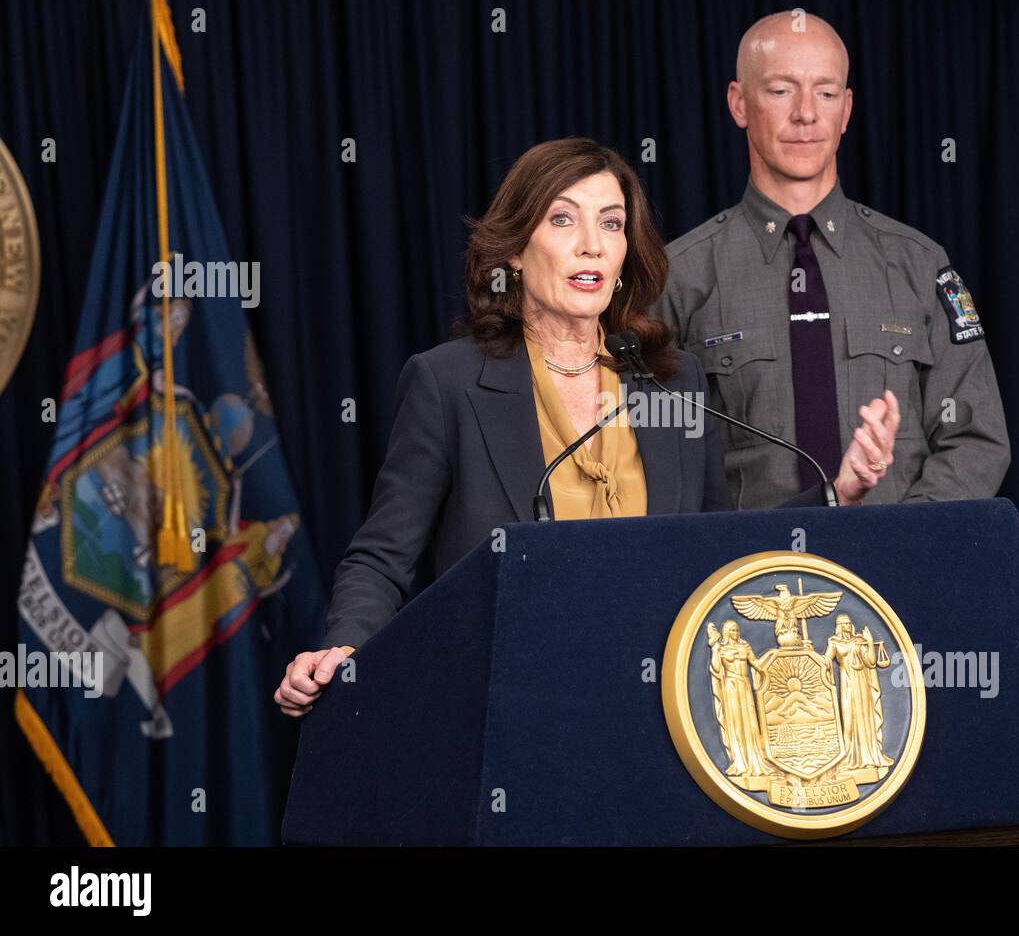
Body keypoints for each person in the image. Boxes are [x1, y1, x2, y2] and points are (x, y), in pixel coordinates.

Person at [274, 138, 901, 717]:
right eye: (563, 219)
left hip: (660, 705)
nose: (592, 245)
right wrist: (345, 649)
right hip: (508, 699)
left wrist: (837, 492)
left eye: (611, 223)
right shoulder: (449, 383)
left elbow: (719, 548)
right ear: (515, 250)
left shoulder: (674, 381)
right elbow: (384, 557)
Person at [655, 11, 1011, 509]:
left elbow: (977, 438)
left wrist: (907, 538)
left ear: (846, 110)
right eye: (780, 90)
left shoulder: (919, 264)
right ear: (739, 103)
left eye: (825, 93)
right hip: (748, 575)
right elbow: (653, 459)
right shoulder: (680, 276)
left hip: (895, 568)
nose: (806, 113)